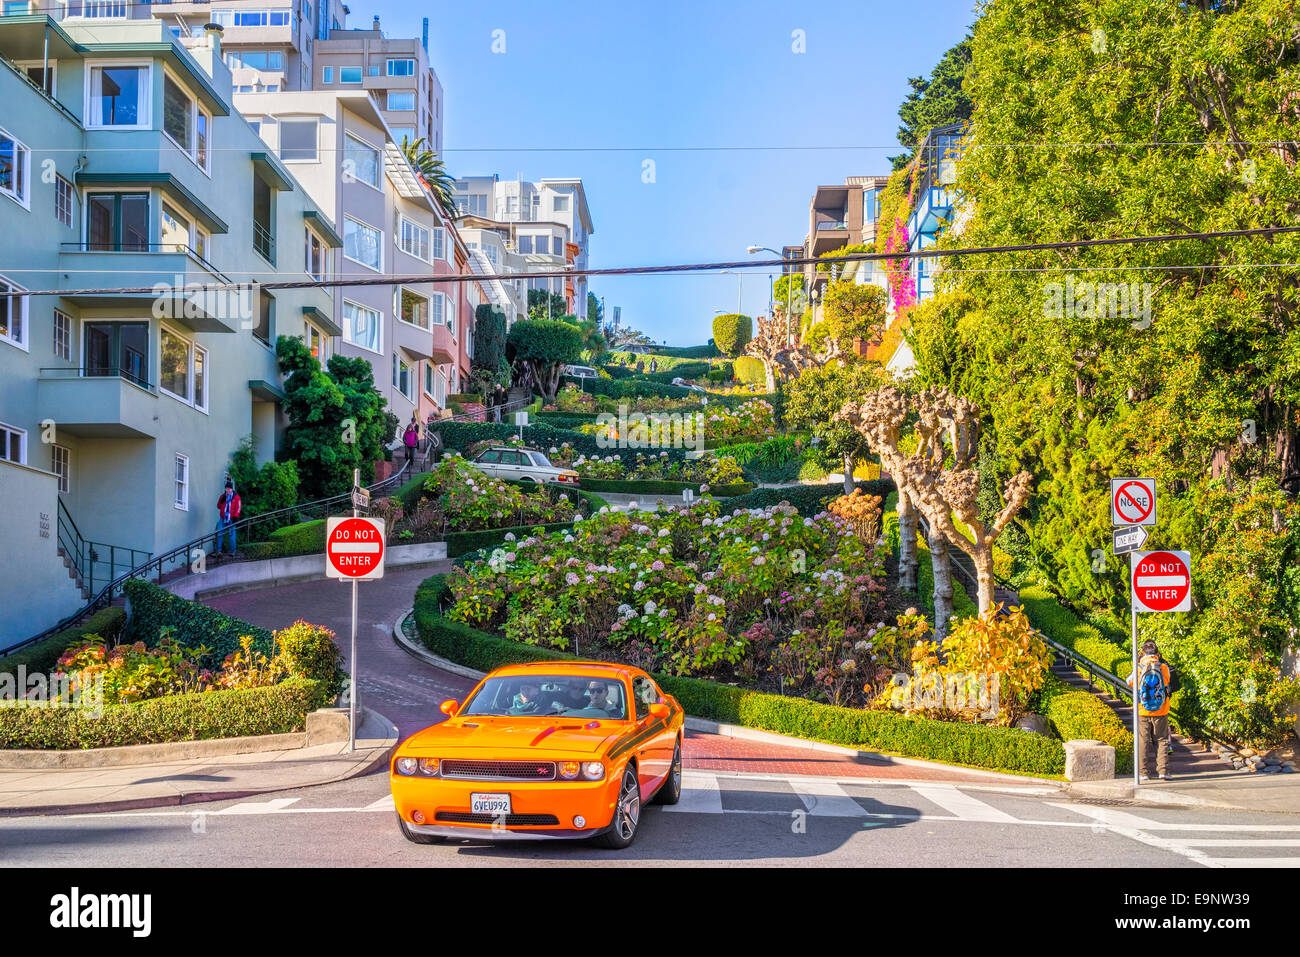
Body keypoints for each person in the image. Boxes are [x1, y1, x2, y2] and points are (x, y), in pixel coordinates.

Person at [1126, 640, 1173, 781]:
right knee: (1162, 740)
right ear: (1157, 653)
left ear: (1142, 653)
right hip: (1161, 710)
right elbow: (1167, 682)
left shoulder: (1139, 667)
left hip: (1143, 710)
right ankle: (1163, 771)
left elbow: (1129, 681)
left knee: (1143, 741)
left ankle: (1143, 772)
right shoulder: (1163, 667)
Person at [216, 478, 241, 555]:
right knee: (219, 533)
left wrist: (236, 517)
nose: (228, 490)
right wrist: (222, 501)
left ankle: (232, 551)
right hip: (223, 518)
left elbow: (238, 508)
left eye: (229, 489)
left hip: (231, 518)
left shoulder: (236, 497)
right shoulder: (223, 496)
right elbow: (218, 506)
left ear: (232, 489)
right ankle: (219, 551)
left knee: (232, 534)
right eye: (226, 489)